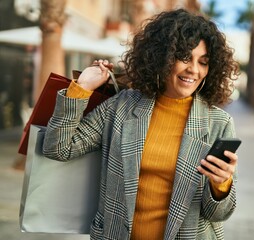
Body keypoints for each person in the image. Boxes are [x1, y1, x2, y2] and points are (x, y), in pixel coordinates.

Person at [43, 9, 240, 240]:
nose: (194, 70)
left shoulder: (219, 123)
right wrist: (82, 88)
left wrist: (221, 184)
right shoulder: (122, 106)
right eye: (185, 57)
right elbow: (58, 148)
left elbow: (219, 214)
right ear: (162, 56)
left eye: (203, 62)